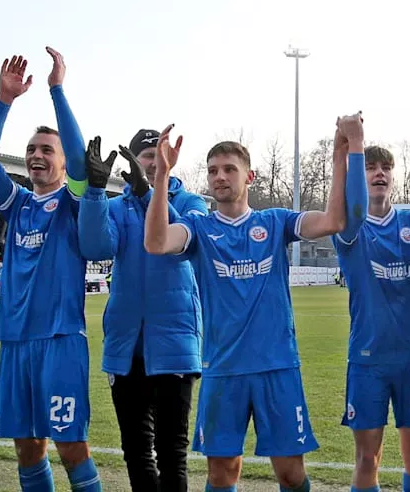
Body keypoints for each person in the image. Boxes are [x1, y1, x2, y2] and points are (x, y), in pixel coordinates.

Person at [143, 115, 359, 492]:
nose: (219, 177)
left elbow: (333, 221)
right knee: (222, 472)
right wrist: (161, 176)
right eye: (212, 171)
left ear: (250, 177)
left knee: (291, 475)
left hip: (277, 366)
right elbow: (156, 242)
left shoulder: (275, 222)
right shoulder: (199, 228)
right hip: (223, 370)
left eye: (229, 169)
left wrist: (340, 156)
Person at [0, 51, 104, 492]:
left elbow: (83, 164)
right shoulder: (18, 203)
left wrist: (57, 90)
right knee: (28, 449)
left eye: (48, 149)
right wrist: (3, 100)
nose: (36, 156)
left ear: (64, 163)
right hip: (16, 341)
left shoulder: (73, 201)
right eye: (31, 150)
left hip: (60, 339)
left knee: (71, 447)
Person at [78, 127, 208, 492]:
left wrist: (149, 193)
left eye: (156, 155)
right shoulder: (118, 208)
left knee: (171, 453)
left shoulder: (191, 202)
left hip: (175, 346)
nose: (150, 163)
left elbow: (178, 238)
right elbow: (94, 246)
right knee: (136, 452)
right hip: (127, 346)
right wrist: (94, 191)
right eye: (144, 157)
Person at [333, 143, 410, 492]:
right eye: (370, 167)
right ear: (360, 175)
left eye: (386, 167)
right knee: (368, 457)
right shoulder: (349, 225)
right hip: (368, 359)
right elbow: (346, 203)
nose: (379, 173)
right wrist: (352, 145)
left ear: (394, 176)